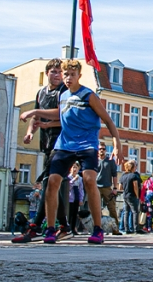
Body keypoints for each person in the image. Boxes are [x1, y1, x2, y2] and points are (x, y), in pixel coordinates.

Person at [20, 59, 122, 244]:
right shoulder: (63, 95)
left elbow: (108, 121)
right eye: (65, 74)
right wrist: (38, 117)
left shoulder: (89, 95)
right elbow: (61, 116)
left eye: (71, 75)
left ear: (79, 76)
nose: (67, 78)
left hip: (86, 145)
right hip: (65, 144)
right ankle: (51, 229)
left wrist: (117, 146)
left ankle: (97, 229)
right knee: (52, 182)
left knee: (90, 180)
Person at [13, 59, 71, 242]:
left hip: (62, 144)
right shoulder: (41, 93)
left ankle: (36, 226)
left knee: (47, 184)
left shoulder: (64, 91)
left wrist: (34, 115)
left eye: (60, 72)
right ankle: (64, 225)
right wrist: (30, 132)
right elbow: (37, 114)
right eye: (54, 72)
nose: (57, 75)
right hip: (46, 144)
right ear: (47, 73)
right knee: (53, 187)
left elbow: (61, 113)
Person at [94, 144, 121, 235]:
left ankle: (115, 229)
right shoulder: (94, 160)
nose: (102, 150)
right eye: (100, 149)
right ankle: (97, 229)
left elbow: (114, 174)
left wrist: (115, 188)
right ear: (97, 150)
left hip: (107, 187)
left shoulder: (110, 161)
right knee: (96, 209)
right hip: (96, 187)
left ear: (106, 150)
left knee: (112, 208)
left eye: (103, 149)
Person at [119, 160, 142, 234]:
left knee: (126, 212)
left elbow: (120, 187)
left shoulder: (123, 175)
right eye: (135, 166)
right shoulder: (134, 175)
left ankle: (126, 229)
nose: (136, 167)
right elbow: (135, 186)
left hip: (125, 195)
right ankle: (136, 229)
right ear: (132, 167)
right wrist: (137, 195)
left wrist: (126, 188)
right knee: (135, 212)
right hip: (132, 195)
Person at [67, 162, 85, 234]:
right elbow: (68, 187)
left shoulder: (80, 178)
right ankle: (67, 228)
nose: (74, 169)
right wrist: (74, 179)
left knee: (75, 214)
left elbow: (81, 189)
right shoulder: (68, 177)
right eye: (73, 167)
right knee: (69, 214)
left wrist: (81, 199)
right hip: (70, 198)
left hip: (76, 197)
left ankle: (73, 228)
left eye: (76, 167)